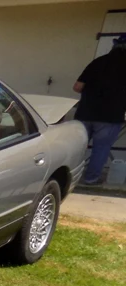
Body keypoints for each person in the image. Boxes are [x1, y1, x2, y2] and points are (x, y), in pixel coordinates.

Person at [73, 34, 126, 185]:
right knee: (101, 148)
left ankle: (68, 178)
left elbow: (77, 87)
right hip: (111, 115)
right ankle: (90, 179)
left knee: (77, 147)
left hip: (85, 112)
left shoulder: (98, 62)